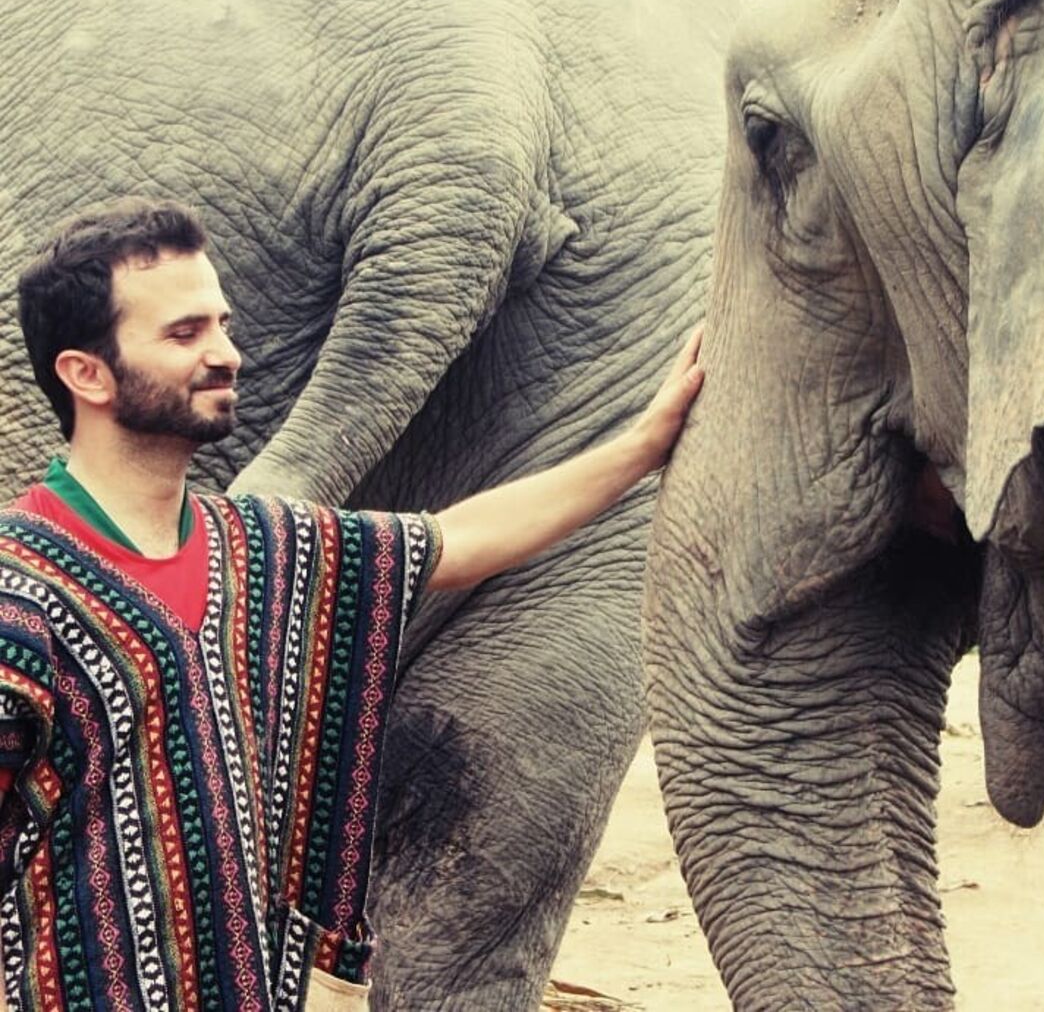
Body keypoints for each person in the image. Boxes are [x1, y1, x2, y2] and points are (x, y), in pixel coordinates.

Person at [0, 197, 703, 1010]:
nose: (226, 353)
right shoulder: (20, 590)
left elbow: (458, 540)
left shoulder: (258, 547)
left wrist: (642, 446)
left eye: (223, 324)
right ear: (85, 373)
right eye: (184, 333)